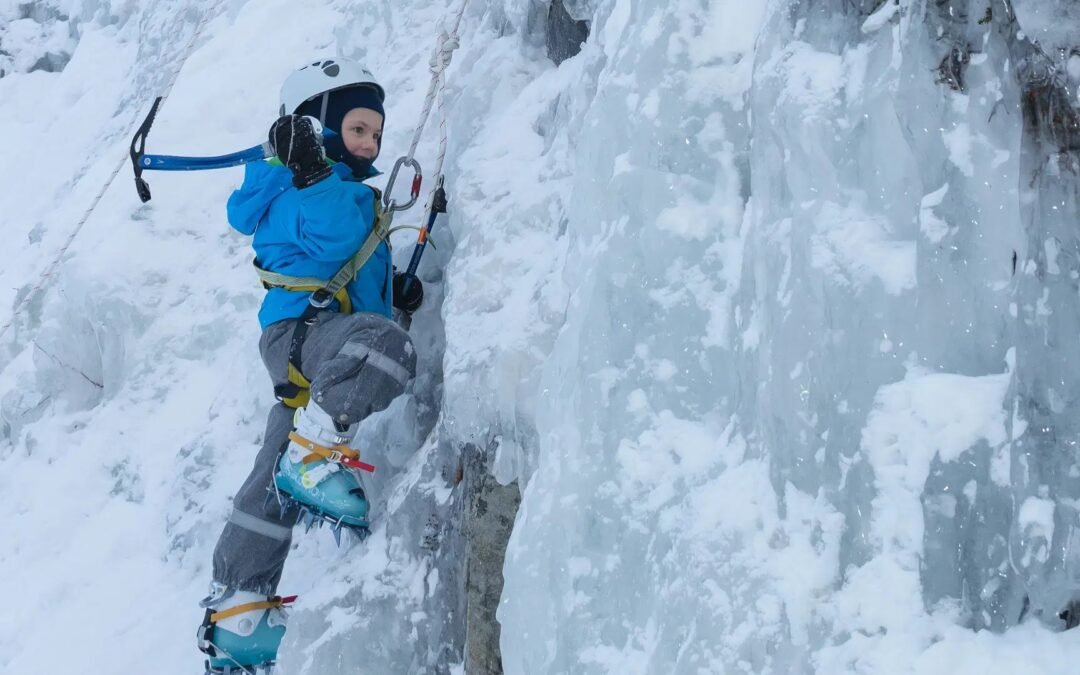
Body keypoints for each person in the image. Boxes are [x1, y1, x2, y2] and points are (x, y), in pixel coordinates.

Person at [195, 58, 424, 674]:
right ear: (315, 126)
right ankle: (313, 455)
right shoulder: (295, 189)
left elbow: (345, 256)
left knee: (271, 473)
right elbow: (329, 240)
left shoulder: (325, 189)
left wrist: (394, 285)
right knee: (387, 347)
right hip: (308, 333)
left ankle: (241, 610)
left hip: (315, 338)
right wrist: (310, 172)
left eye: (375, 133)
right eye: (356, 129)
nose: (371, 143)